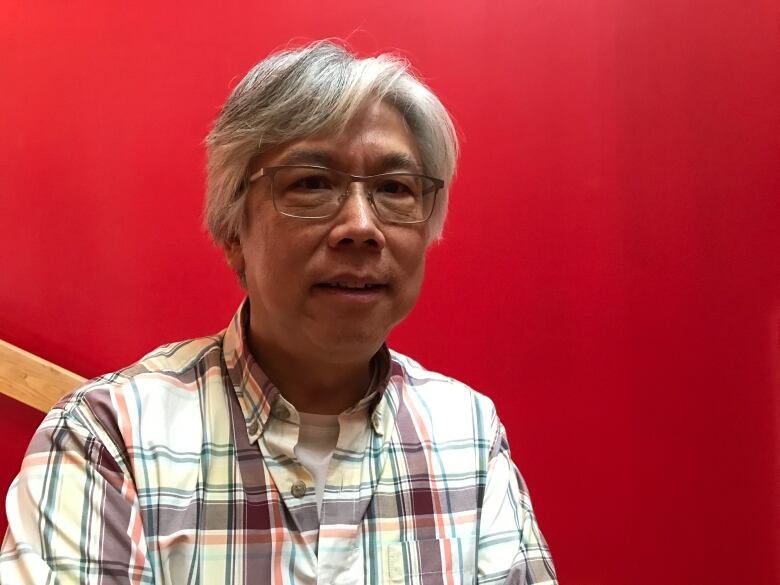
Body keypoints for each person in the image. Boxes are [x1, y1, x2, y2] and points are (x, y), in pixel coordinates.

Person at [0, 41, 557, 584]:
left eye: (394, 188)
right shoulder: (112, 438)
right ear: (233, 232)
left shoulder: (468, 435)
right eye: (312, 183)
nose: (361, 226)